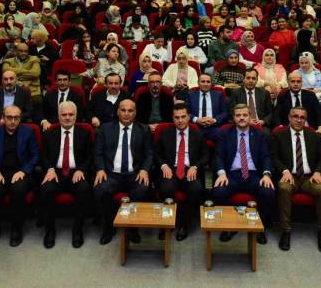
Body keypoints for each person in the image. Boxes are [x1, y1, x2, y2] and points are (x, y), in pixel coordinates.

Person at [213, 104, 275, 245]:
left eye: (245, 115)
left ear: (250, 117)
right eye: (238, 115)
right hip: (232, 174)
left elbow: (266, 156)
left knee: (268, 192)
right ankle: (228, 227)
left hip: (253, 174)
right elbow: (218, 156)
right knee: (218, 191)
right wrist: (221, 173)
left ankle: (260, 228)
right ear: (233, 118)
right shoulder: (225, 133)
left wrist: (266, 174)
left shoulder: (259, 134)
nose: (241, 118)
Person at [93, 99, 153, 245]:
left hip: (135, 174)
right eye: (123, 110)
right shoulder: (105, 129)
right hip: (111, 174)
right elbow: (98, 152)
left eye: (130, 110)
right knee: (101, 189)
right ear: (118, 112)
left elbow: (149, 153)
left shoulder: (144, 130)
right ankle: (109, 227)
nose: (126, 114)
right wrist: (100, 169)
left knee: (142, 190)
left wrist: (145, 170)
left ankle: (133, 228)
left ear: (135, 113)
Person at [271, 106, 321, 252]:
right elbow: (274, 157)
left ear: (306, 119)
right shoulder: (279, 135)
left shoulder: (314, 136)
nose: (298, 120)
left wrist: (318, 172)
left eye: (302, 117)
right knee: (284, 188)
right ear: (289, 118)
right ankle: (285, 231)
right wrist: (284, 171)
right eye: (295, 116)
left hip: (309, 177)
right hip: (289, 176)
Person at [38, 101, 93, 249]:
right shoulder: (49, 133)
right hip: (55, 172)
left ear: (76, 116)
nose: (67, 117)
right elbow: (43, 155)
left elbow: (90, 156)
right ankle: (50, 231)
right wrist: (49, 168)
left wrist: (81, 169)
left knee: (83, 188)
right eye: (64, 114)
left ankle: (77, 231)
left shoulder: (85, 133)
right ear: (58, 116)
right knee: (45, 189)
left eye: (71, 114)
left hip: (76, 171)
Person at [0, 105, 39, 247]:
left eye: (16, 118)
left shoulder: (28, 132)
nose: (12, 121)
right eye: (9, 117)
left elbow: (35, 155)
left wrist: (24, 171)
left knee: (18, 190)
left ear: (20, 119)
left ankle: (17, 228)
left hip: (20, 171)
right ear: (3, 118)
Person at [154, 103, 208, 241]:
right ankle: (166, 224)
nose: (180, 120)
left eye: (183, 117)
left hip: (189, 169)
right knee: (166, 188)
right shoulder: (165, 133)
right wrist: (164, 165)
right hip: (171, 169)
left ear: (188, 117)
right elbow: (156, 154)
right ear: (172, 118)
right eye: (177, 117)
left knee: (196, 189)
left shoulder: (198, 134)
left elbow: (205, 156)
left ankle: (184, 224)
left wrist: (195, 167)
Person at [187, 73, 228, 142]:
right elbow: (186, 112)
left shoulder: (218, 95)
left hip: (213, 127)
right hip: (196, 126)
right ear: (198, 83)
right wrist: (197, 119)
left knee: (223, 136)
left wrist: (214, 120)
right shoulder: (191, 95)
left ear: (211, 83)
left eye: (208, 82)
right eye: (203, 81)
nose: (205, 84)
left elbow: (225, 113)